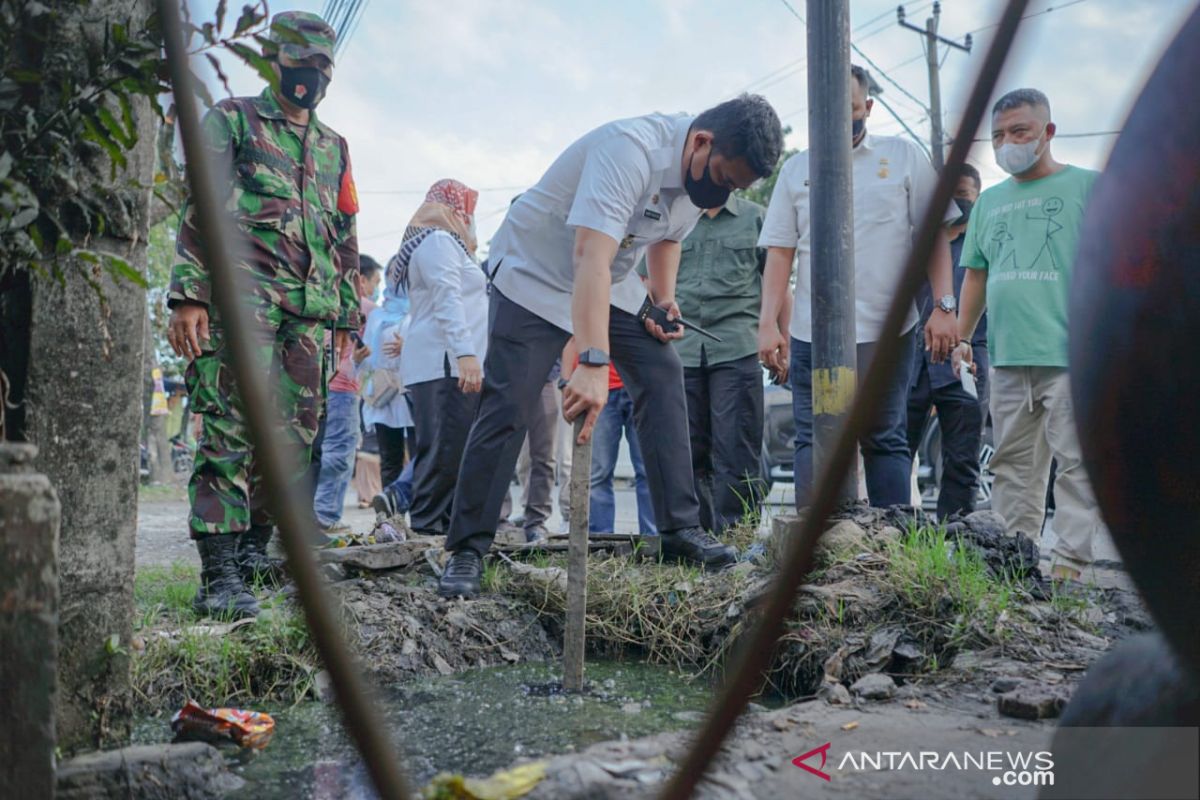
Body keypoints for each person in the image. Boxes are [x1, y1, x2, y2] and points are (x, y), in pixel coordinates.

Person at [437, 95, 785, 598]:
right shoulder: (629, 151)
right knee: (510, 402)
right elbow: (588, 256)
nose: (721, 195)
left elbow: (667, 239)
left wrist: (663, 300)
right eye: (726, 180)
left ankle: (678, 530)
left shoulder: (699, 177)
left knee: (664, 371)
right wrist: (594, 361)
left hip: (610, 280)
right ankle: (467, 549)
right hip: (536, 274)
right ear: (702, 142)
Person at [166, 11, 358, 619]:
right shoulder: (233, 120)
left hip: (311, 316)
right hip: (238, 307)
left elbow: (344, 234)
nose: (311, 75)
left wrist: (347, 321)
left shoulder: (334, 147)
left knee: (295, 440)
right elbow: (199, 204)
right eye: (299, 62)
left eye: (321, 65)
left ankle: (252, 553)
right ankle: (217, 575)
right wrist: (189, 295)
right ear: (275, 61)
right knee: (228, 427)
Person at [758, 64, 958, 511]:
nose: (840, 119)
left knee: (885, 436)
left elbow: (934, 237)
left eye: (850, 109)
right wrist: (768, 323)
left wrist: (945, 306)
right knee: (817, 437)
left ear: (867, 107)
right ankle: (821, 543)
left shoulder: (904, 157)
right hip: (814, 335)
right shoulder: (795, 172)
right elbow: (780, 252)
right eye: (829, 110)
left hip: (888, 334)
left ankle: (891, 547)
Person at [952, 88, 1104, 582]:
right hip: (1008, 355)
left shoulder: (1090, 188)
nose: (1007, 143)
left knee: (1077, 463)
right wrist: (961, 336)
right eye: (998, 135)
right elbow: (975, 275)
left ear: (1048, 133)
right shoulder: (990, 202)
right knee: (1013, 466)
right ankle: (1015, 561)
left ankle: (1070, 567)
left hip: (1072, 356)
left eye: (1019, 131)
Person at [668, 196, 771, 533]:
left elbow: (776, 285)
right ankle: (696, 537)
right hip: (681, 351)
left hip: (737, 346)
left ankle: (739, 536)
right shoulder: (674, 219)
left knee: (736, 450)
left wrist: (777, 336)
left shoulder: (756, 218)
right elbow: (649, 281)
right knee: (687, 452)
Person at [394, 179, 487, 538]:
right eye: (466, 210)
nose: (469, 219)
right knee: (443, 453)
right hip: (444, 364)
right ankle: (426, 530)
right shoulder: (439, 242)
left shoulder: (451, 247)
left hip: (449, 363)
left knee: (453, 452)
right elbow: (448, 298)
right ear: (451, 210)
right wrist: (465, 353)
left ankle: (444, 530)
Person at [906, 163, 989, 518]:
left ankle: (956, 540)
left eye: (963, 196)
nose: (955, 204)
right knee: (895, 449)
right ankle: (892, 536)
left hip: (967, 357)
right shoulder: (917, 245)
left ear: (977, 197)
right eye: (947, 196)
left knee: (961, 458)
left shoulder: (983, 245)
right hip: (912, 360)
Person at [313, 255, 381, 531]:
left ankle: (316, 513)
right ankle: (325, 515)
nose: (377, 288)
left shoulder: (328, 303)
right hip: (343, 387)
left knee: (322, 450)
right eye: (375, 282)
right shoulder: (366, 308)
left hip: (324, 382)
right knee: (340, 452)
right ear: (360, 280)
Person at [363, 284, 413, 494]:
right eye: (391, 274)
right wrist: (358, 357)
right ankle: (389, 520)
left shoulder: (419, 311)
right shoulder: (376, 315)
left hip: (412, 391)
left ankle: (422, 518)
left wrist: (409, 346)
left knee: (420, 456)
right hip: (383, 393)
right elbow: (366, 355)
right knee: (389, 458)